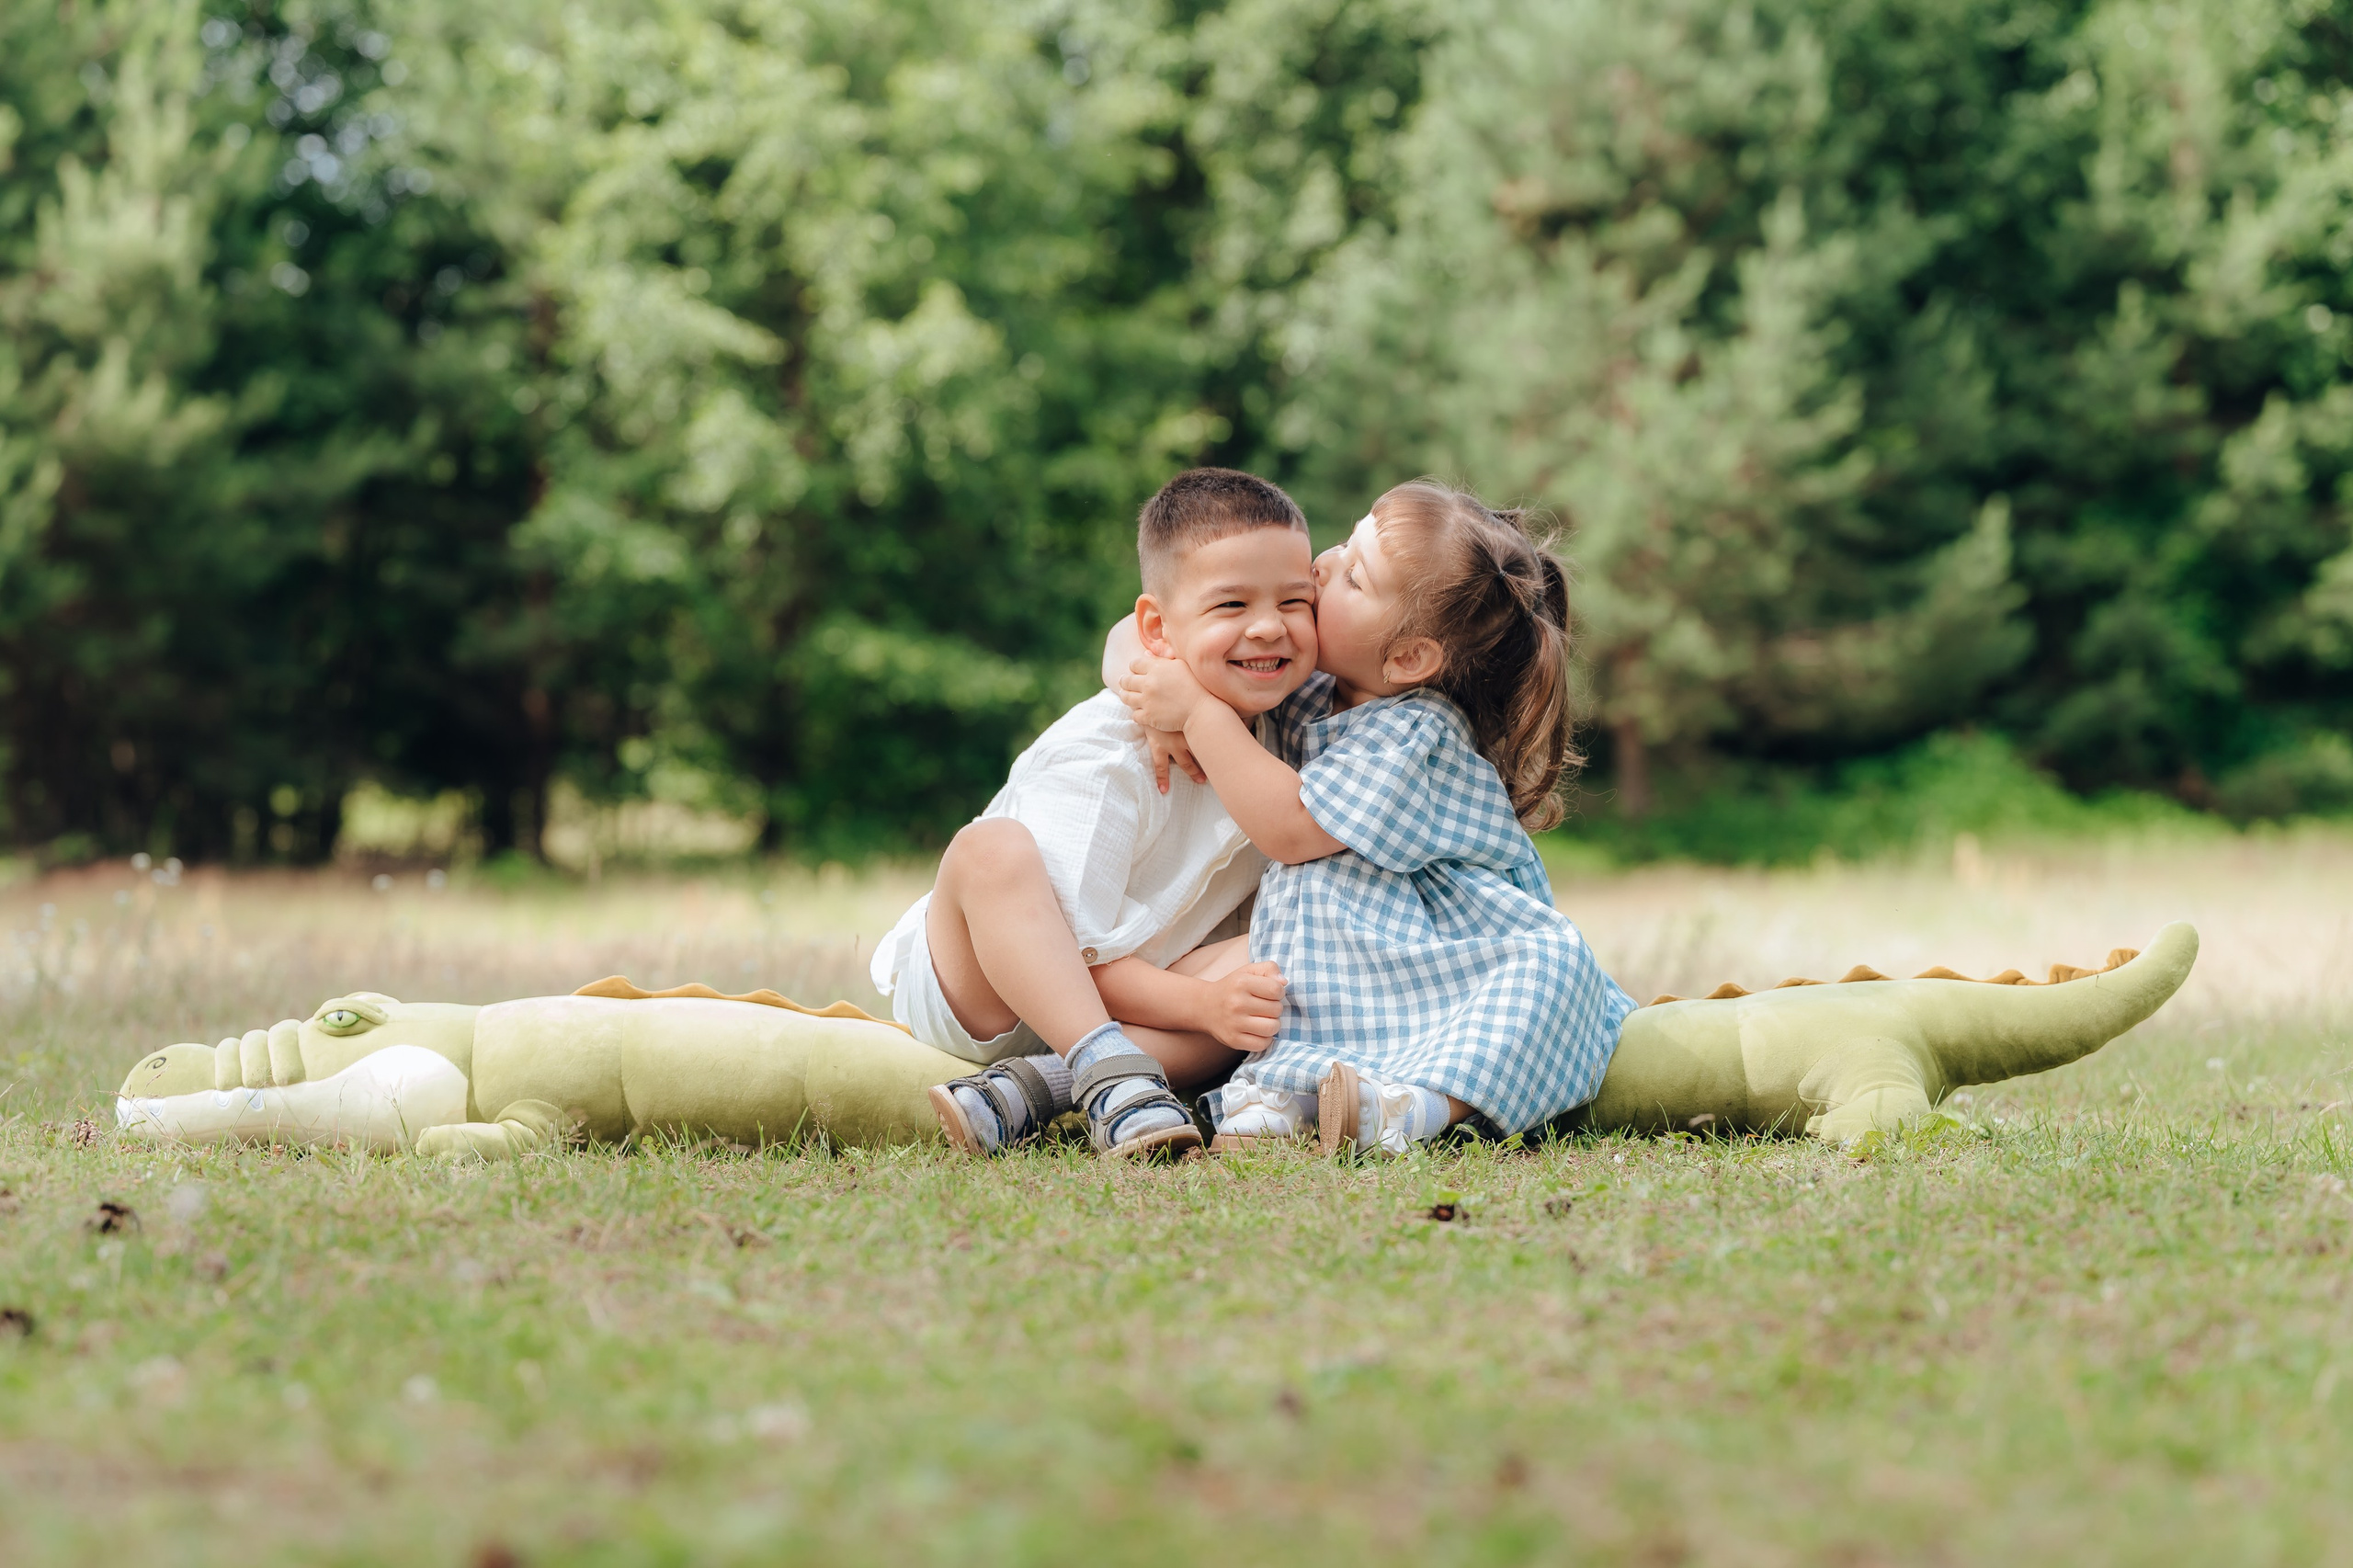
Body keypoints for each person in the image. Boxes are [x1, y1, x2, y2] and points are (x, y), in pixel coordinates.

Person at [1120, 479, 1634, 1153]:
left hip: (1443, 949)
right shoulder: (1317, 686)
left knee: (1552, 968)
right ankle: (1276, 1100)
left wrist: (1195, 710)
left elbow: (1291, 830)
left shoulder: (1416, 735)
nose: (1322, 566)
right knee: (1268, 974)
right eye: (1343, 541)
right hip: (1342, 947)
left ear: (1407, 658)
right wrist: (1143, 672)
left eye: (1354, 577)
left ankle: (1414, 1109)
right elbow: (1143, 623)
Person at [870, 468, 1316, 1159]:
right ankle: (1108, 1075)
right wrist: (1203, 1007)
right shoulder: (1105, 755)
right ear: (1156, 630)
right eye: (1231, 604)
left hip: (1142, 989)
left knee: (1299, 946)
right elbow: (1077, 956)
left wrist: (1225, 1000)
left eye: (1296, 600)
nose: (1268, 626)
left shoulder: (1281, 724)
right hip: (991, 992)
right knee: (991, 849)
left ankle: (1043, 1087)